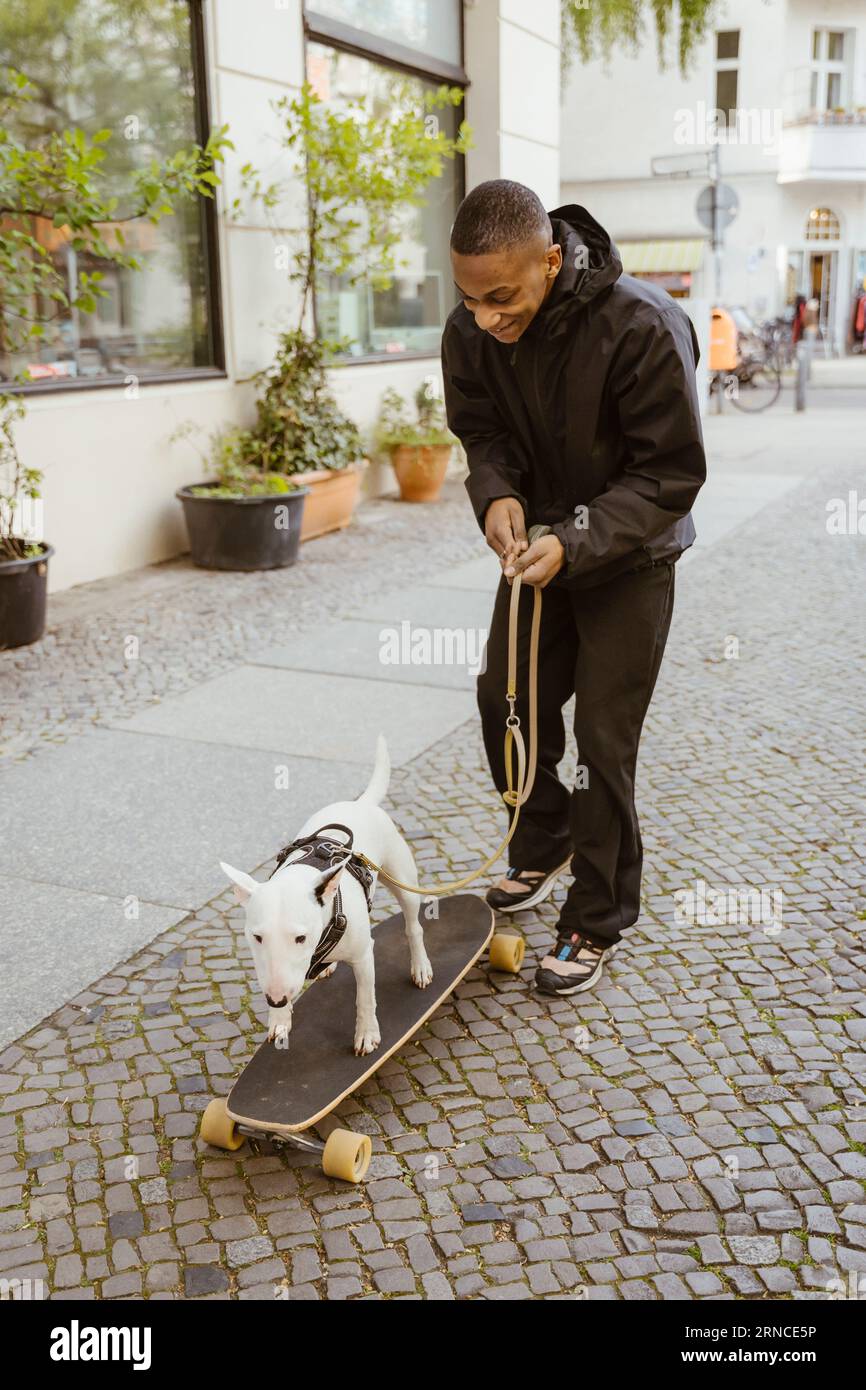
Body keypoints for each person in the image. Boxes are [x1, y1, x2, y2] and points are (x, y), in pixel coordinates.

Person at [441, 180, 706, 997]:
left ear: (551, 261)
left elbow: (670, 473)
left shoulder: (645, 324)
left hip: (629, 558)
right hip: (537, 549)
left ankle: (596, 915)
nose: (486, 316)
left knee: (601, 741)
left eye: (502, 297)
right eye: (469, 298)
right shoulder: (470, 329)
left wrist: (577, 538)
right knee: (503, 698)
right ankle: (541, 840)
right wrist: (499, 496)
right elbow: (481, 433)